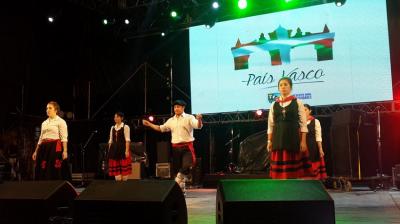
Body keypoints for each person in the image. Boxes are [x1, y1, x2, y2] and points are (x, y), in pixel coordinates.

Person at [143, 100, 203, 191]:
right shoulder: (171, 120)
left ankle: (176, 185)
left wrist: (199, 119)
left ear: (183, 108)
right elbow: (160, 128)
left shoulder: (189, 117)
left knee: (186, 166)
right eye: (175, 107)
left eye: (178, 107)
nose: (176, 108)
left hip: (187, 147)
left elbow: (198, 126)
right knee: (178, 170)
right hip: (175, 148)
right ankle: (181, 189)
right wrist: (149, 124)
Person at [267, 77, 312, 179]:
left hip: (292, 138)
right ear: (278, 88)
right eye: (281, 85)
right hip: (278, 138)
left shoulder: (297, 102)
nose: (283, 87)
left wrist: (303, 141)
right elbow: (270, 124)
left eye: (286, 84)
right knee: (279, 174)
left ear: (291, 87)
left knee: (294, 173)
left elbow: (303, 124)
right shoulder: (274, 104)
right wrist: (269, 141)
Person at [32, 101, 68, 180]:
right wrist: (36, 151)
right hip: (44, 147)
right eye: (47, 108)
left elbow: (64, 138)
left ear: (55, 110)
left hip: (54, 146)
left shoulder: (61, 122)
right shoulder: (44, 123)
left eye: (50, 108)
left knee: (52, 167)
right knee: (42, 167)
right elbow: (41, 138)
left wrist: (65, 151)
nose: (47, 110)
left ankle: (54, 185)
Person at [304, 104, 327, 180]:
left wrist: (320, 149)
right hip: (302, 147)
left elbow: (318, 136)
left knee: (313, 164)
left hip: (312, 146)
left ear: (310, 111)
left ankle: (314, 183)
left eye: (305, 110)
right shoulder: (299, 122)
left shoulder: (315, 121)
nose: (303, 112)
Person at [108, 112, 132, 181]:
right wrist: (109, 151)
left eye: (117, 117)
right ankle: (118, 186)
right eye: (115, 117)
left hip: (122, 150)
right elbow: (111, 140)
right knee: (117, 174)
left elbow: (127, 140)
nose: (115, 118)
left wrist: (127, 151)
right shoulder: (112, 127)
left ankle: (124, 187)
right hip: (114, 150)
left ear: (121, 118)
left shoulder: (125, 127)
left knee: (124, 174)